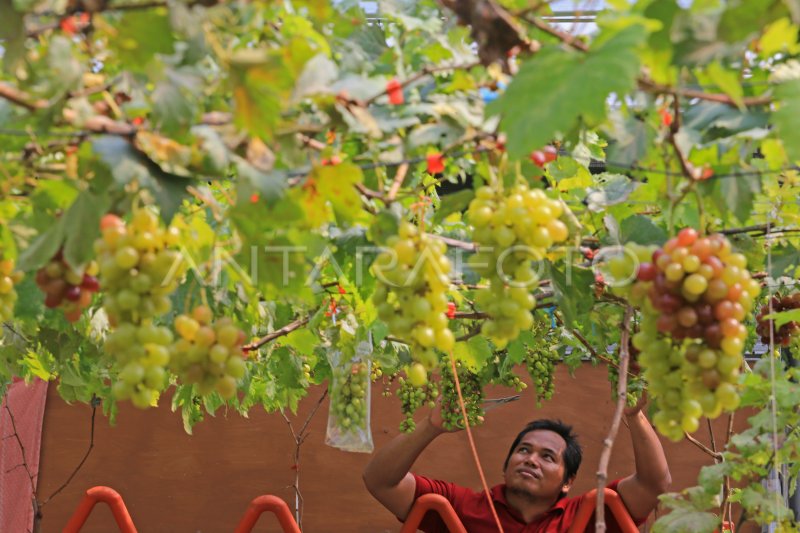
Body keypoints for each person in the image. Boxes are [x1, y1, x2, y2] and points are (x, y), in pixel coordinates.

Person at [362, 397, 671, 532]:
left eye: (547, 457)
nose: (530, 459)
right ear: (506, 465)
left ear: (567, 482)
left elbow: (654, 485)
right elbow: (380, 482)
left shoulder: (590, 515)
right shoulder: (464, 506)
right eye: (523, 450)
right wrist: (431, 426)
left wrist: (634, 415)